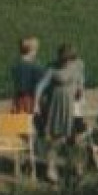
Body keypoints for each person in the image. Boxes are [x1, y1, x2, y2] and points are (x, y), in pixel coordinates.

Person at [33, 43, 86, 180]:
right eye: (63, 60)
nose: (65, 63)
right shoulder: (52, 68)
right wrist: (36, 104)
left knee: (76, 139)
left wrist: (80, 91)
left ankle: (77, 166)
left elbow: (81, 82)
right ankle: (51, 169)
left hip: (74, 107)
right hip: (58, 107)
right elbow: (40, 86)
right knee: (56, 139)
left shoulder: (78, 65)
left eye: (68, 60)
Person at [11, 36, 43, 113]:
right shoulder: (35, 66)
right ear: (31, 50)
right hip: (31, 98)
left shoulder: (16, 65)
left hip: (19, 97)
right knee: (32, 120)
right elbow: (40, 85)